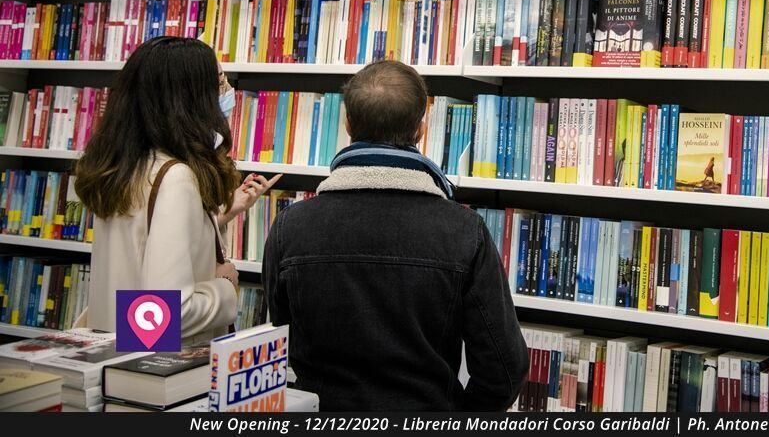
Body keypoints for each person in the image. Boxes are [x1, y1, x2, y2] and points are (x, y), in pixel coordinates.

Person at [262, 60, 529, 411]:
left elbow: (280, 341)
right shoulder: (464, 232)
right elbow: (504, 371)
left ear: (347, 124)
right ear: (420, 129)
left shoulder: (289, 227)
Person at [74, 36, 279, 344]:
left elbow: (142, 247)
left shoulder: (125, 167)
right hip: (161, 370)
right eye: (220, 83)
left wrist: (218, 217)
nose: (227, 93)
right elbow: (162, 314)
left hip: (116, 354)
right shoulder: (176, 178)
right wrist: (224, 287)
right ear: (191, 98)